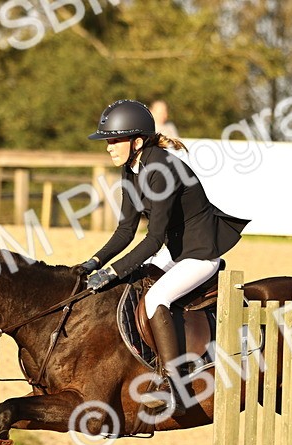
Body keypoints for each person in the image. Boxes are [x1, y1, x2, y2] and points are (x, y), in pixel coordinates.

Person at [74, 99, 249, 417]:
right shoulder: (131, 169)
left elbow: (152, 239)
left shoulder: (161, 168)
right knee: (131, 286)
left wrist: (112, 271)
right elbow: (126, 230)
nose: (109, 148)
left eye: (114, 141)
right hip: (176, 251)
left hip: (199, 253)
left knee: (156, 299)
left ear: (136, 141)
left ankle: (176, 384)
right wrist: (92, 263)